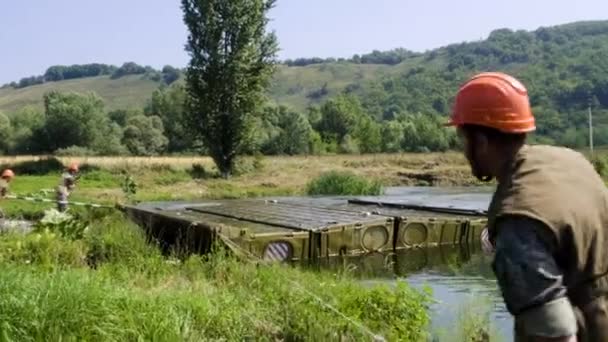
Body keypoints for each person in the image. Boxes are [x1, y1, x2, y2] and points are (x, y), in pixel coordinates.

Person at [447, 72, 608, 342]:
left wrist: (511, 245)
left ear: (482, 142)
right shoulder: (571, 161)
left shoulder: (517, 220)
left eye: (463, 139)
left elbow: (556, 334)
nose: (463, 150)